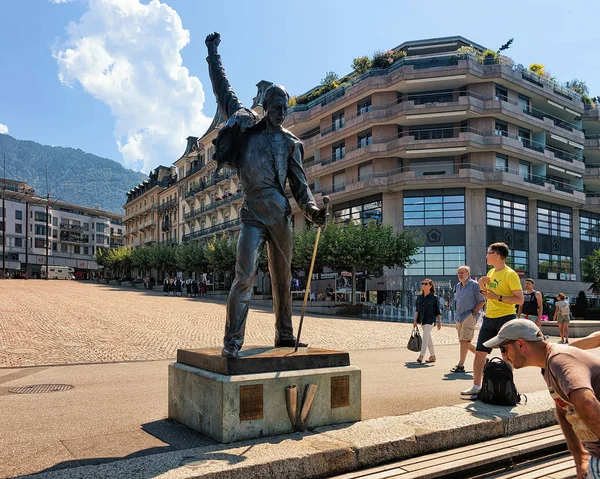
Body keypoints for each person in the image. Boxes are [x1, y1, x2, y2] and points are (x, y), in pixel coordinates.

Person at [205, 32, 326, 358]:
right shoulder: (246, 128)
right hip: (253, 213)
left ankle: (284, 335)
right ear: (266, 106)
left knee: (283, 279)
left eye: (285, 109)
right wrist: (212, 52)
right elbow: (223, 88)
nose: (281, 113)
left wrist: (313, 211)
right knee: (243, 277)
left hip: (280, 215)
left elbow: (300, 185)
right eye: (276, 108)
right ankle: (232, 344)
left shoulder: (291, 144)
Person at [483, 319, 600, 479]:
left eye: (504, 349)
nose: (503, 356)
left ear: (521, 344)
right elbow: (563, 410)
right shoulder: (549, 365)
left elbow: (587, 403)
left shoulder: (559, 361)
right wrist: (580, 456)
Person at [461, 242, 524, 397]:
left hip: (506, 318)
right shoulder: (490, 273)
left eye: (488, 253)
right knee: (480, 353)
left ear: (496, 255)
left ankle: (506, 385)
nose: (486, 256)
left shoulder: (510, 274)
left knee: (506, 355)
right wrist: (482, 286)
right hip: (489, 317)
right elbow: (488, 294)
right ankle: (477, 386)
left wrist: (499, 297)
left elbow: (520, 300)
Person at [451, 266, 485, 373]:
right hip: (459, 316)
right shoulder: (458, 286)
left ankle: (460, 365)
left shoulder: (475, 285)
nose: (460, 275)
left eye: (462, 272)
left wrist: (474, 313)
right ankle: (483, 358)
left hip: (469, 315)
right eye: (458, 273)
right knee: (463, 342)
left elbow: (482, 300)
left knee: (464, 340)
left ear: (468, 273)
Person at [413, 279, 442, 364]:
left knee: (425, 337)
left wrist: (439, 322)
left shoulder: (434, 297)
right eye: (422, 283)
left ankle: (421, 356)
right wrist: (415, 321)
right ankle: (432, 356)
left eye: (426, 284)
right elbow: (417, 310)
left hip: (430, 320)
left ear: (430, 286)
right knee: (428, 338)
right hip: (422, 320)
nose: (424, 285)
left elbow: (437, 310)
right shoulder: (419, 297)